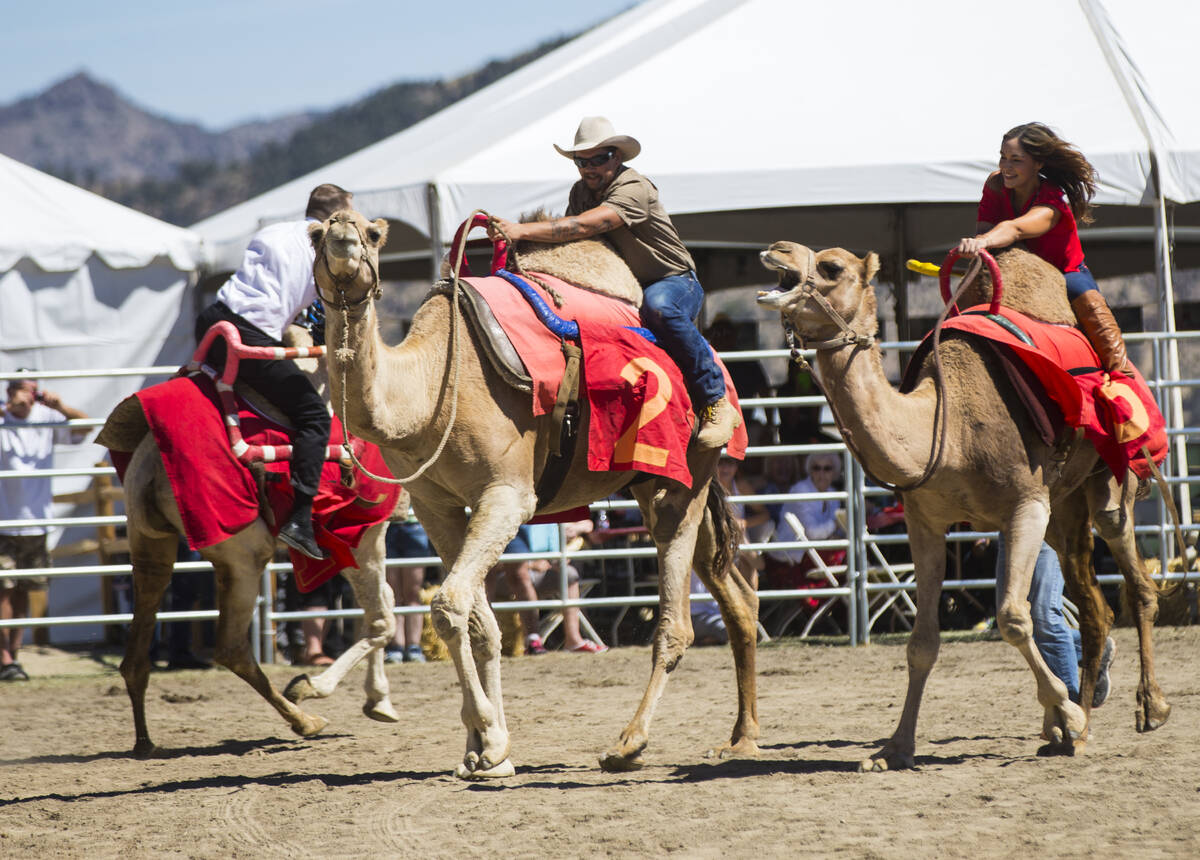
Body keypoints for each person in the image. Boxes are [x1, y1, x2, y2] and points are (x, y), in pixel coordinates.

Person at [487, 116, 739, 448]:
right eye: (582, 161)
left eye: (599, 159)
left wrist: (521, 231)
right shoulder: (580, 193)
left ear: (616, 157)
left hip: (672, 281)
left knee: (660, 308)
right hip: (621, 286)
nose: (590, 168)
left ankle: (714, 399)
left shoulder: (634, 187)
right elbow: (575, 241)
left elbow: (583, 227)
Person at [195, 183, 354, 560]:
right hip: (248, 337)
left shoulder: (272, 231)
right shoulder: (325, 249)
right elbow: (321, 315)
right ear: (336, 218)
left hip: (213, 320)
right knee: (314, 415)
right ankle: (300, 519)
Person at [957, 122, 1129, 373]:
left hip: (1062, 271)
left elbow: (1013, 229)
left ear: (1038, 164)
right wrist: (979, 243)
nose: (1006, 166)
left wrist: (982, 242)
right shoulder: (995, 184)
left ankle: (1120, 373)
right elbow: (985, 228)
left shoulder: (1051, 204)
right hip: (1012, 266)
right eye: (1003, 157)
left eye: (1016, 160)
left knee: (1090, 304)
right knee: (962, 297)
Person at [0, 371, 89, 681]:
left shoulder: (45, 418)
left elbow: (86, 426)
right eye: (16, 389)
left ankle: (15, 655)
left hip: (37, 523)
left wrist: (59, 406)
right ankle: (5, 658)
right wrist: (8, 408)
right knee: (3, 593)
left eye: (28, 390)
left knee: (25, 592)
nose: (22, 396)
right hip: (4, 523)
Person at [995, 538, 1117, 709]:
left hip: (1047, 532)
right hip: (1009, 533)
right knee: (1008, 620)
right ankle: (1094, 647)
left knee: (1045, 617)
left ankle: (1071, 711)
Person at [494, 522, 607, 655]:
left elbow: (588, 524)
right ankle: (532, 640)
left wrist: (557, 560)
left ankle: (573, 640)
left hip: (542, 571)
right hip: (508, 576)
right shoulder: (507, 520)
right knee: (520, 574)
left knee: (569, 573)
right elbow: (498, 564)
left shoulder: (548, 517)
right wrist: (531, 564)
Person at [383, 511, 434, 664]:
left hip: (414, 524)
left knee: (412, 593)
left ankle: (414, 647)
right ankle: (396, 647)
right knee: (393, 595)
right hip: (387, 525)